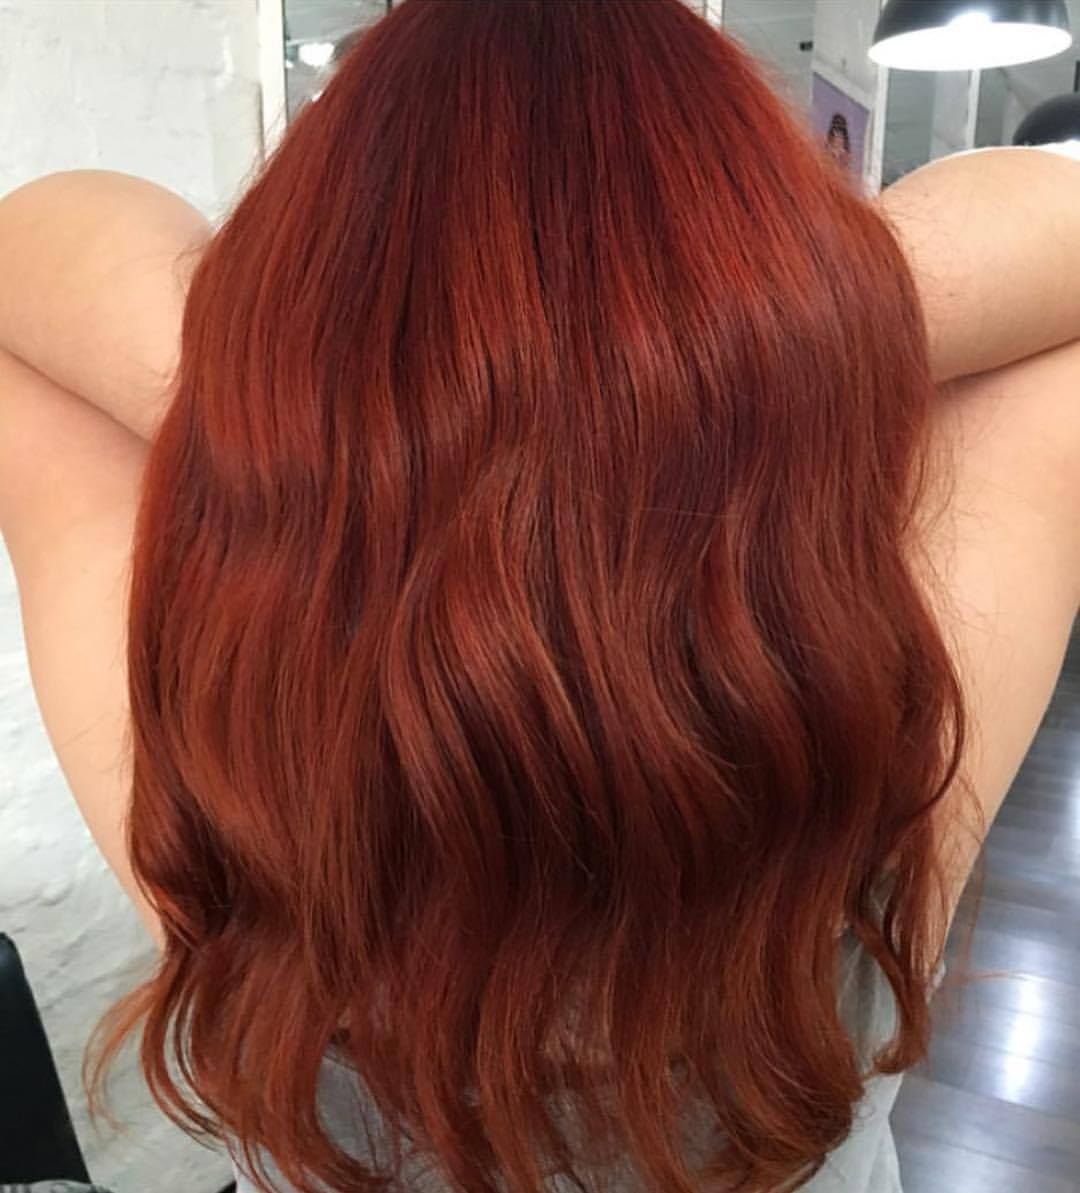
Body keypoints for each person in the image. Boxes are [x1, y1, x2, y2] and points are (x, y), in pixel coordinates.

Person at [0, 2, 1077, 1191]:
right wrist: (750, 361)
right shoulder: (873, 803)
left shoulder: (227, 798)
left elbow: (26, 253)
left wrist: (338, 405)